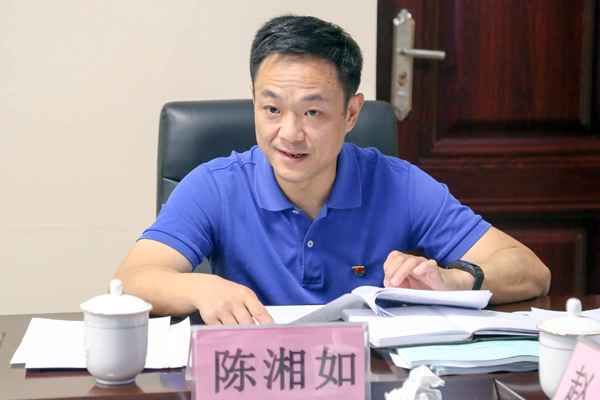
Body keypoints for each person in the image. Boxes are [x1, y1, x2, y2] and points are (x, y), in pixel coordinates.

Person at [113, 15, 550, 325]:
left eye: (313, 113)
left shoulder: (400, 185)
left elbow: (531, 271)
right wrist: (199, 288)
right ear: (254, 101)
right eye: (271, 109)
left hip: (368, 378)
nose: (289, 133)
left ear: (351, 113)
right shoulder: (215, 186)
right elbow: (130, 281)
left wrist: (454, 280)